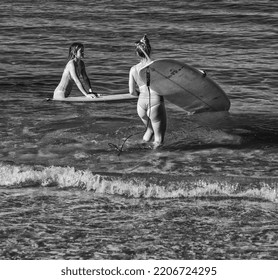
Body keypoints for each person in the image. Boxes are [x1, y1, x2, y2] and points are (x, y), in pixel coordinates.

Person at [129, 35, 167, 148]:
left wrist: (140, 94)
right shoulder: (156, 66)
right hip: (155, 102)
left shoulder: (133, 69)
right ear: (149, 50)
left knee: (149, 131)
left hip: (141, 105)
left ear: (137, 53)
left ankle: (136, 150)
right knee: (159, 140)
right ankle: (151, 161)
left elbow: (131, 91)